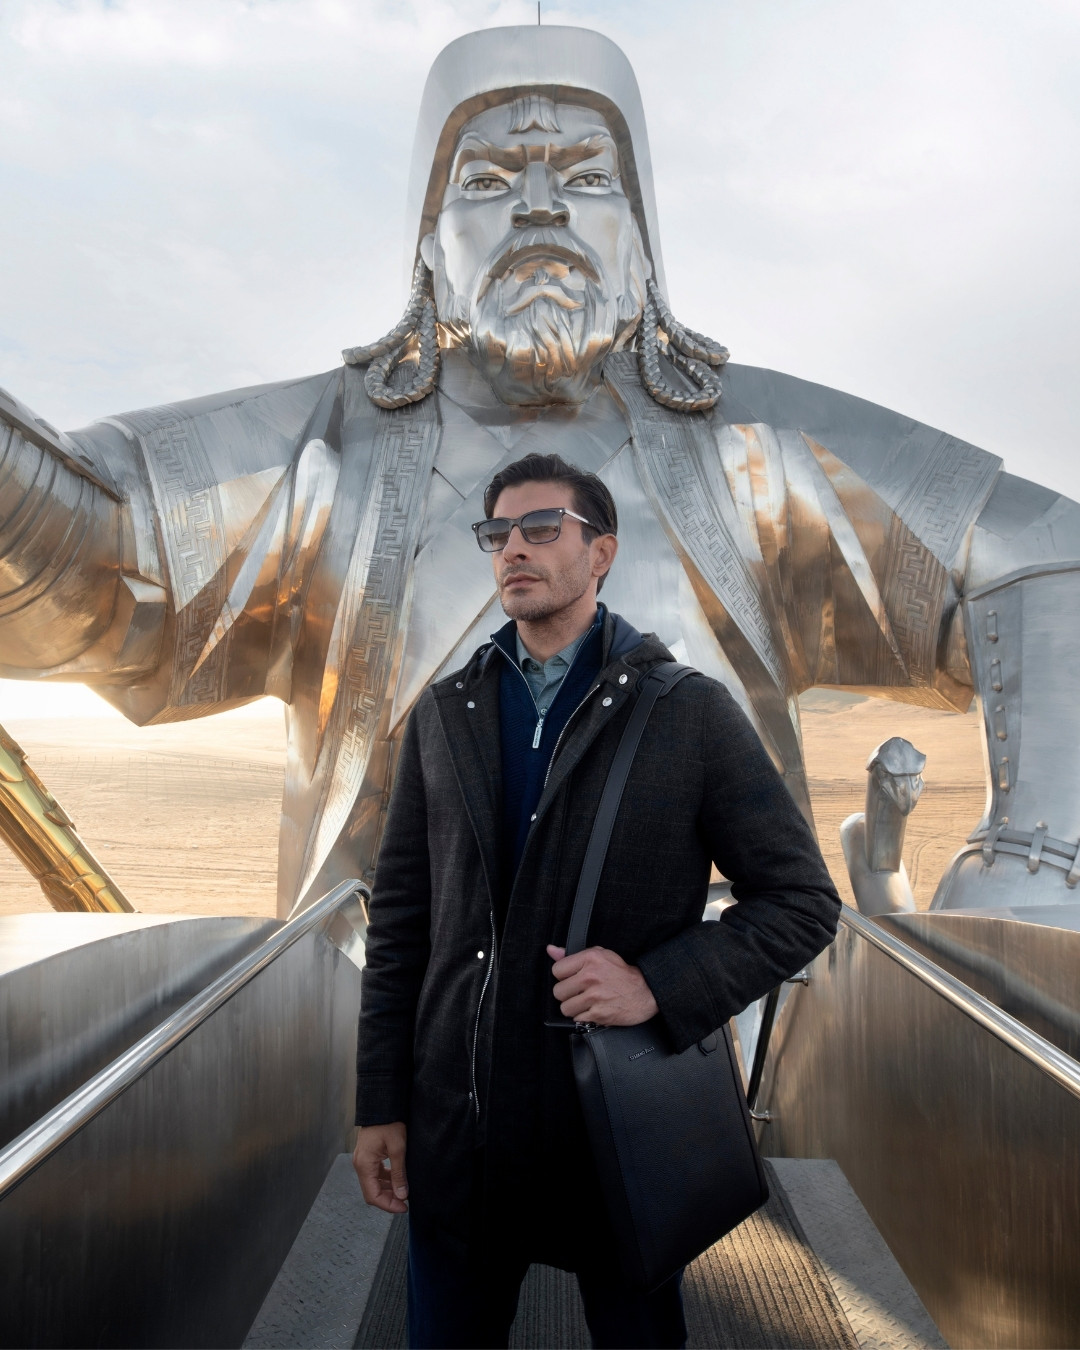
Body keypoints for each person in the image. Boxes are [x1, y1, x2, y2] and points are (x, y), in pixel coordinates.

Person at [1, 21, 1077, 920]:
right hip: (407, 1024)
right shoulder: (326, 456)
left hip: (724, 1038)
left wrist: (1038, 855)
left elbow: (1043, 556)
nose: (541, 205)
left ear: (645, 243)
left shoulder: (758, 449)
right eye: (488, 178)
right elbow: (95, 567)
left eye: (589, 175)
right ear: (429, 249)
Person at [351, 450, 841, 1349]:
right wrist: (381, 1102)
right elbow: (404, 925)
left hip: (614, 1128)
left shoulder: (687, 712)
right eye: (498, 533)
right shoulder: (444, 712)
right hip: (462, 1125)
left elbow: (803, 901)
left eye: (543, 529)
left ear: (602, 553)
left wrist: (658, 983)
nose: (514, 550)